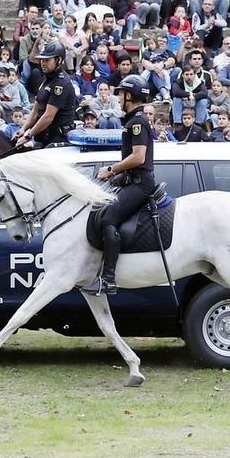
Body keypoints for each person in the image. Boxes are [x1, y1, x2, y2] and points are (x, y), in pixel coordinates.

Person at [83, 77, 159, 295]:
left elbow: (138, 157)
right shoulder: (134, 120)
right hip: (132, 179)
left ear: (129, 95)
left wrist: (112, 170)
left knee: (109, 218)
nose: (117, 98)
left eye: (120, 94)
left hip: (141, 184)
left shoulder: (137, 122)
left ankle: (108, 279)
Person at [16, 39, 80, 149]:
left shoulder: (61, 83)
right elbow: (36, 110)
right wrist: (23, 129)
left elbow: (48, 116)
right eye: (42, 60)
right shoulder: (47, 78)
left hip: (57, 139)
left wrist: (28, 136)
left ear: (58, 60)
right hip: (43, 136)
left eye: (47, 60)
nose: (43, 63)